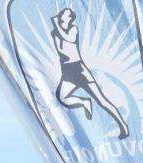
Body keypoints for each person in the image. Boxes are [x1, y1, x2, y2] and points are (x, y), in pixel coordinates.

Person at [51, 8, 129, 139]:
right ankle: (84, 102)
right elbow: (61, 50)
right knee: (62, 97)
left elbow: (69, 39)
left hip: (79, 69)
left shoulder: (73, 29)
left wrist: (57, 26)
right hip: (68, 71)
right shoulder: (55, 32)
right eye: (63, 13)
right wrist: (57, 28)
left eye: (66, 14)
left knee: (102, 101)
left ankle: (123, 125)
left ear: (70, 18)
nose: (63, 15)